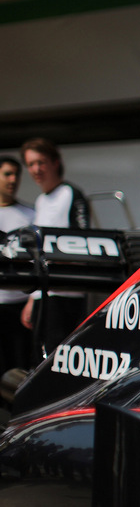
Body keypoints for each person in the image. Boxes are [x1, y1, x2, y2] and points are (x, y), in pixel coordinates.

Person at [20, 137, 91, 357]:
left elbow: (84, 243)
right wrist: (33, 298)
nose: (36, 169)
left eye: (41, 162)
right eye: (31, 164)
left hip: (66, 293)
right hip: (44, 293)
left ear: (55, 163)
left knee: (59, 358)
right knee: (40, 357)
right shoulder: (41, 200)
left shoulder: (71, 194)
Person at [0, 156, 36, 370]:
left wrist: (32, 300)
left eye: (16, 175)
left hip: (19, 306)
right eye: (7, 174)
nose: (13, 180)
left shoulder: (30, 215)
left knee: (19, 366)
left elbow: (38, 260)